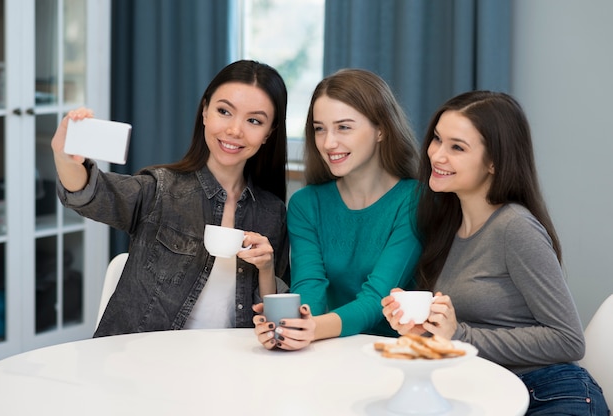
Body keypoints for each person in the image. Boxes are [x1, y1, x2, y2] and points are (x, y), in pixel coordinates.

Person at [381, 91, 610, 416]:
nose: (437, 155)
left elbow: (569, 340)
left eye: (457, 147)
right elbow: (475, 329)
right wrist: (427, 329)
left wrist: (459, 334)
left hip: (551, 393)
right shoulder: (448, 226)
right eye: (437, 139)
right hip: (490, 392)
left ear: (494, 162)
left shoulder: (515, 227)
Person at [52, 60, 291, 337]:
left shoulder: (272, 213)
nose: (235, 130)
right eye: (224, 111)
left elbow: (275, 327)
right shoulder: (161, 189)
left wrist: (266, 267)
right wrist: (65, 157)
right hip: (143, 364)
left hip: (229, 367)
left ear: (268, 133)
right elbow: (91, 194)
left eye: (254, 121)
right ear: (205, 112)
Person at [253, 68, 422, 350]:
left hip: (393, 354)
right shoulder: (306, 204)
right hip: (327, 349)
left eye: (344, 127)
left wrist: (310, 328)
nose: (328, 143)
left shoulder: (414, 199)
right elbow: (309, 286)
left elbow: (377, 299)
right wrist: (290, 325)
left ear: (381, 129)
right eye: (320, 129)